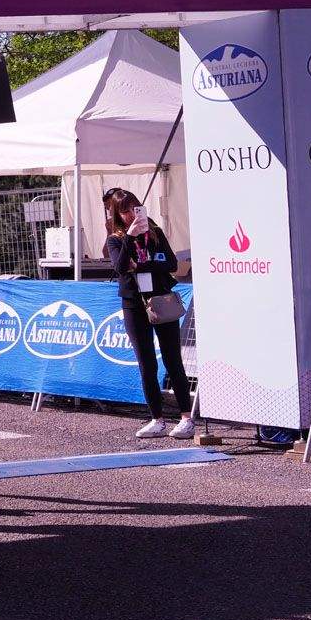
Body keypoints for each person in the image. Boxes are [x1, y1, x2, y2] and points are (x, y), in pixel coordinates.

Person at [103, 188, 194, 440]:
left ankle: (186, 418)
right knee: (147, 363)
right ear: (117, 214)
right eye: (125, 211)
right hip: (134, 303)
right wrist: (130, 238)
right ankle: (157, 419)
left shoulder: (154, 232)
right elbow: (120, 267)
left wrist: (141, 265)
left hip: (161, 298)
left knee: (172, 359)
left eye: (134, 208)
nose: (131, 215)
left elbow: (171, 264)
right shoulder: (115, 239)